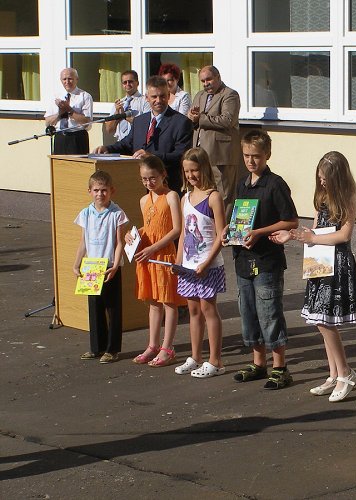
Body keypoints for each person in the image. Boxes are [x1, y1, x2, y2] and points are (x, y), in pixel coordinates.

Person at [270, 151, 356, 402]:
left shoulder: (349, 198)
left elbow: (344, 235)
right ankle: (334, 374)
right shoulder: (321, 197)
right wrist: (292, 235)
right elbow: (314, 230)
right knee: (320, 320)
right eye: (320, 178)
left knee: (326, 321)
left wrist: (312, 237)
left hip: (337, 262)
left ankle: (345, 372)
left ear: (338, 177)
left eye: (326, 178)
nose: (322, 182)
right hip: (319, 261)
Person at [223, 130, 298, 389]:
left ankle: (280, 368)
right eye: (246, 155)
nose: (250, 160)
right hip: (244, 258)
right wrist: (228, 230)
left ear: (267, 155)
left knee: (269, 313)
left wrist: (260, 232)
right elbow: (239, 218)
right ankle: (258, 363)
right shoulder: (242, 184)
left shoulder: (275, 184)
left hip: (267, 260)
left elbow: (291, 220)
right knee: (249, 313)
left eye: (255, 156)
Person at [125, 155, 185, 367]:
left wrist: (153, 248)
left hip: (163, 254)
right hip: (147, 256)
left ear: (163, 175)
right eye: (144, 179)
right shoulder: (144, 200)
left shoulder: (171, 196)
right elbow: (149, 226)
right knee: (153, 302)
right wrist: (132, 234)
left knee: (168, 302)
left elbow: (177, 229)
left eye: (152, 178)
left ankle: (167, 347)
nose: (148, 183)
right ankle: (152, 345)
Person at [174, 147, 227, 378]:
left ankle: (215, 360)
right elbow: (183, 234)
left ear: (204, 168)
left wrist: (206, 264)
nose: (190, 175)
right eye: (187, 171)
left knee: (208, 308)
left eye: (194, 170)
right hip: (188, 265)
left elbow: (221, 235)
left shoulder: (213, 197)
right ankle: (195, 357)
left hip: (208, 266)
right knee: (193, 309)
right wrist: (178, 261)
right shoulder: (185, 198)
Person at [93, 75, 192, 193]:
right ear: (147, 98)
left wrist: (152, 156)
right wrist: (107, 149)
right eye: (154, 97)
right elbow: (127, 144)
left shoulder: (181, 122)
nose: (158, 100)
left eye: (162, 96)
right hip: (138, 186)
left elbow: (181, 155)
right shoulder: (140, 120)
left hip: (167, 187)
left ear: (168, 96)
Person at [73, 170, 128, 363]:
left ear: (111, 191)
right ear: (89, 191)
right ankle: (97, 347)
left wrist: (116, 264)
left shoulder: (117, 213)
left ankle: (112, 349)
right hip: (91, 266)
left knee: (112, 308)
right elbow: (83, 242)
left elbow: (119, 242)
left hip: (109, 266)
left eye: (104, 190)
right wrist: (77, 263)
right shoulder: (86, 213)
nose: (100, 194)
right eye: (96, 190)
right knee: (95, 308)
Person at [188, 65, 241, 222]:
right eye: (203, 81)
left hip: (220, 154)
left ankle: (223, 229)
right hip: (200, 153)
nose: (206, 84)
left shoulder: (230, 94)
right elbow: (194, 119)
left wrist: (200, 118)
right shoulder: (200, 95)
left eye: (209, 79)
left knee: (224, 194)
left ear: (218, 77)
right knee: (204, 191)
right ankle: (208, 225)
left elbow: (227, 120)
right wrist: (191, 117)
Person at [44, 68, 93, 154]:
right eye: (64, 79)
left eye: (70, 79)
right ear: (61, 80)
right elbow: (47, 122)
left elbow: (87, 122)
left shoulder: (85, 96)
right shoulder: (56, 96)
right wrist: (59, 114)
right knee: (59, 162)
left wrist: (69, 110)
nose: (67, 82)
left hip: (77, 137)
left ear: (76, 79)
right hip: (60, 137)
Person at [104, 70, 151, 142]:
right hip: (120, 142)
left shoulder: (145, 101)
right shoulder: (119, 104)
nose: (127, 84)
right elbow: (109, 130)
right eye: (125, 82)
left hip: (137, 142)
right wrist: (117, 114)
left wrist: (124, 116)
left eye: (130, 81)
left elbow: (146, 125)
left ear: (137, 83)